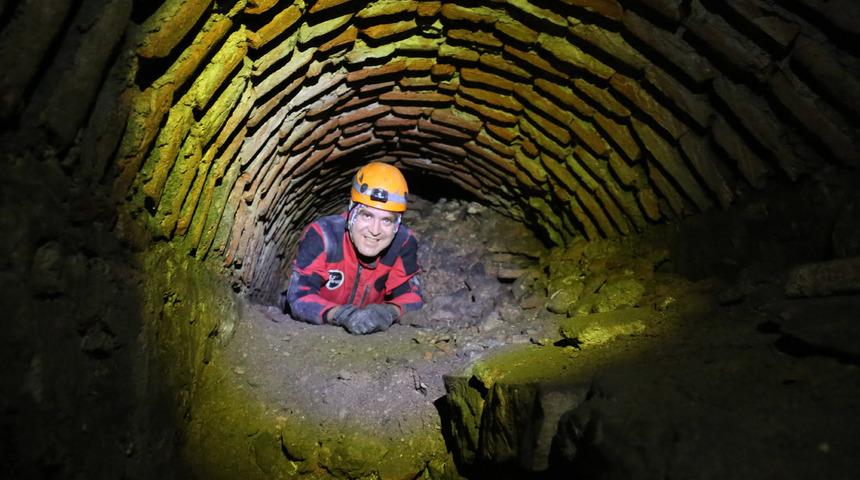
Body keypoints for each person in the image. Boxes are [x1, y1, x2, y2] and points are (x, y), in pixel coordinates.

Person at [286, 162, 424, 334]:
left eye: (387, 220)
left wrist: (389, 312)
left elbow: (413, 298)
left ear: (397, 224)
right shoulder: (324, 236)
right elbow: (299, 297)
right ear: (352, 211)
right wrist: (342, 315)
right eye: (367, 215)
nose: (375, 231)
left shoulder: (403, 243)